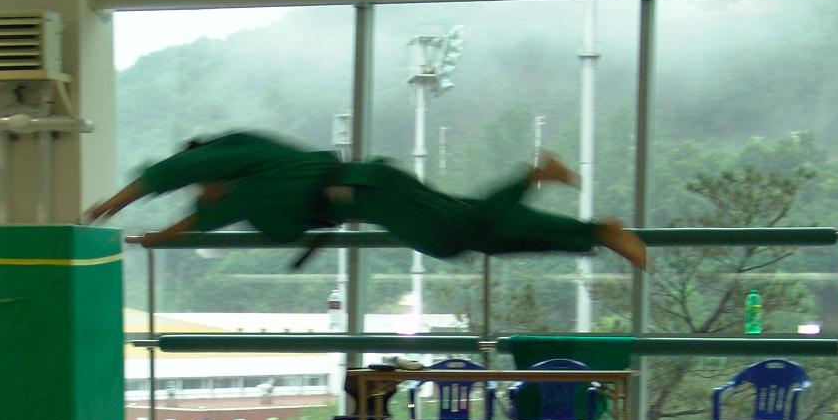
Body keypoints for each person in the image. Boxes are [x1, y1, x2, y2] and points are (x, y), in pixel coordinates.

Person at [83, 131, 648, 271]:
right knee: (471, 235)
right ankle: (593, 232)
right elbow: (193, 224)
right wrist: (147, 239)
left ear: (212, 169)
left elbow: (174, 173)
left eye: (204, 181)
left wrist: (114, 203)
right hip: (373, 196)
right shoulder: (239, 197)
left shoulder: (242, 158)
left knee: (455, 233)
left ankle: (544, 182)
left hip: (373, 190)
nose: (201, 191)